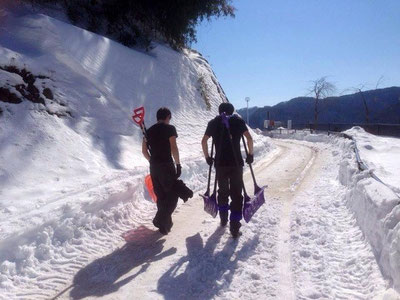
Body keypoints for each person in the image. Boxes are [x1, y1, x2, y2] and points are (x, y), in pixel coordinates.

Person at [201, 103, 254, 238]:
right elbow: (249, 138)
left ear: (219, 111)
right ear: (231, 110)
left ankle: (223, 217)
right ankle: (235, 226)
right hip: (236, 164)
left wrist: (208, 157)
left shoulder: (213, 122)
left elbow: (204, 141)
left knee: (222, 191)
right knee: (236, 194)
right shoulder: (238, 121)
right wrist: (250, 154)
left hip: (220, 164)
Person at [142, 107, 193, 235]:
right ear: (168, 116)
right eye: (170, 118)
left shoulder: (148, 131)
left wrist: (152, 161)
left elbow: (144, 151)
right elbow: (174, 148)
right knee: (172, 195)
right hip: (166, 165)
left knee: (161, 196)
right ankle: (160, 219)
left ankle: (165, 225)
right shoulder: (170, 129)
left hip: (154, 168)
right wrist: (178, 164)